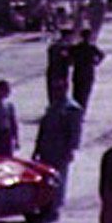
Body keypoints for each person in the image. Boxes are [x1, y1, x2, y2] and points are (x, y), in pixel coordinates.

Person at [32, 78, 83, 212]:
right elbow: (43, 128)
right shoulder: (52, 106)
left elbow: (75, 131)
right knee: (45, 176)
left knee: (59, 177)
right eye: (55, 89)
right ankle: (46, 203)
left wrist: (71, 149)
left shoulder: (72, 109)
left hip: (61, 148)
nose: (56, 92)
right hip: (46, 147)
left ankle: (55, 205)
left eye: (59, 89)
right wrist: (37, 148)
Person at [69, 30, 104, 112]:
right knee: (86, 93)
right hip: (88, 73)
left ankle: (76, 110)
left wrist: (73, 62)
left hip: (78, 72)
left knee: (76, 93)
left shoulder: (76, 48)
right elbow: (101, 55)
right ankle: (82, 110)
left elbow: (69, 57)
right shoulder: (91, 47)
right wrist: (96, 63)